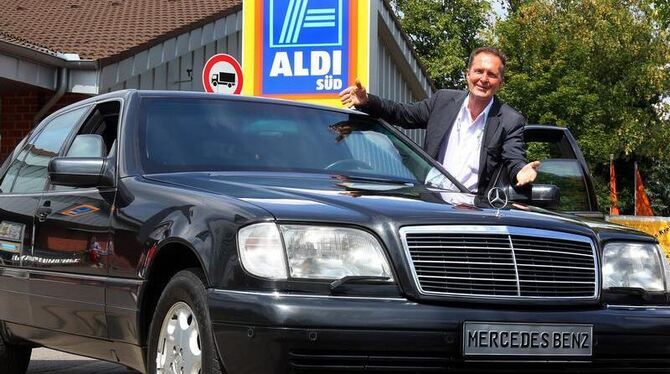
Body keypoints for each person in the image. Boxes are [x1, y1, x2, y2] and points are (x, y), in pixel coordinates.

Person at [339, 47, 540, 195]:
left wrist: (520, 170)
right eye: (478, 71)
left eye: (492, 75)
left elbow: (514, 156)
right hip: (431, 200)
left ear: (500, 83)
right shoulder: (443, 101)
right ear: (467, 74)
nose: (483, 79)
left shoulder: (510, 119)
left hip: (474, 208)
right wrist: (366, 101)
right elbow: (402, 113)